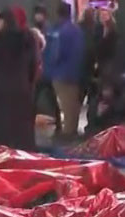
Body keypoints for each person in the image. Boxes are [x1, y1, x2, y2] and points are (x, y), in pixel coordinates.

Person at [0, 8, 37, 151]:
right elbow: (33, 64)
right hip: (22, 87)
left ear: (3, 21)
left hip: (1, 89)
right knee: (21, 129)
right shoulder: (27, 38)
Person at [44, 2, 85, 139]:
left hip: (59, 73)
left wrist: (49, 67)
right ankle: (71, 131)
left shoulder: (56, 30)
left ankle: (67, 133)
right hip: (73, 72)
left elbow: (54, 54)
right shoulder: (76, 30)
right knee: (72, 105)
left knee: (66, 105)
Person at [31, 5, 60, 133]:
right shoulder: (39, 30)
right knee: (35, 98)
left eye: (39, 14)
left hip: (46, 71)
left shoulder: (49, 31)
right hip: (40, 71)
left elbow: (53, 51)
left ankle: (59, 124)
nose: (38, 17)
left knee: (51, 98)